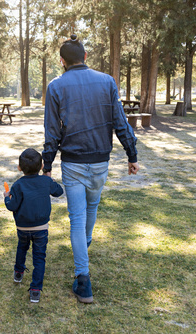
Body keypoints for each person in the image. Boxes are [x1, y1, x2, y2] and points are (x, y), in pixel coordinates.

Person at [42, 34, 139, 303]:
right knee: (91, 208)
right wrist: (132, 155)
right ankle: (82, 250)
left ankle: (83, 279)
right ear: (85, 57)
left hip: (72, 163)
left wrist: (47, 164)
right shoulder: (107, 81)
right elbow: (121, 122)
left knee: (77, 217)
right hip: (100, 162)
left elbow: (52, 130)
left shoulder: (56, 86)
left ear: (62, 61)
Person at [4, 148, 64, 303]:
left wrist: (6, 197)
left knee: (21, 248)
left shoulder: (17, 185)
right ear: (42, 166)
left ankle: (18, 272)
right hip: (41, 229)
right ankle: (36, 290)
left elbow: (12, 206)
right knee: (39, 258)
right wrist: (50, 179)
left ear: (19, 167)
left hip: (23, 227)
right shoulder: (45, 181)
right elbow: (59, 191)